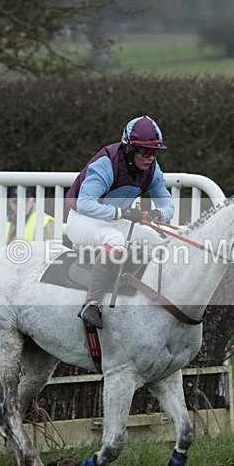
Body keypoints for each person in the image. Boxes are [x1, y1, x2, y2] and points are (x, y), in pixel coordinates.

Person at [65, 115, 174, 328]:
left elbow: (168, 205)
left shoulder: (153, 170)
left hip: (112, 220)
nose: (150, 157)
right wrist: (120, 213)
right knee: (114, 239)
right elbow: (85, 203)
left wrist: (158, 215)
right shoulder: (106, 163)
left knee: (157, 240)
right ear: (129, 148)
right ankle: (91, 304)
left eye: (155, 152)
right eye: (144, 151)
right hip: (82, 220)